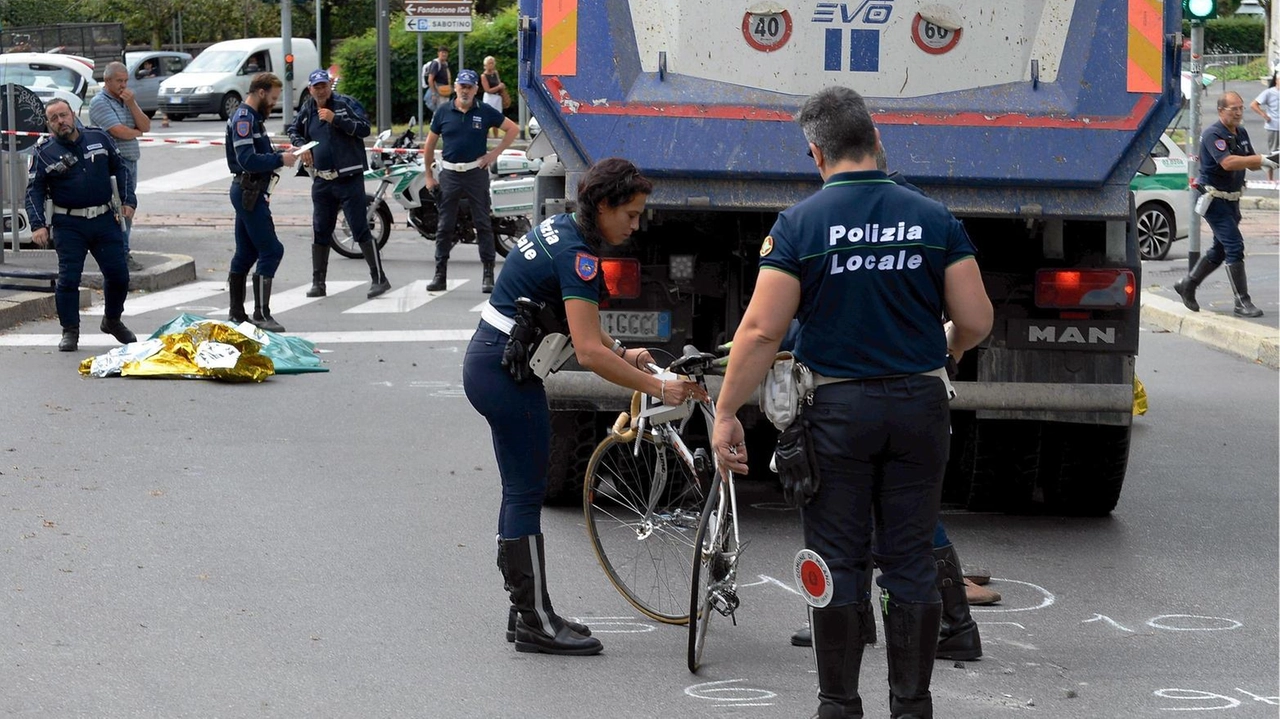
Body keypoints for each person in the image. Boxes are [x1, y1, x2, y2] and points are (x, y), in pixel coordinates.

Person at [710, 86, 992, 719]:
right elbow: (975, 319)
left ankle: (838, 705)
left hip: (836, 414)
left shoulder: (800, 226)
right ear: (877, 143)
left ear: (817, 154)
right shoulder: (934, 219)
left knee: (836, 560)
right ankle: (911, 707)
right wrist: (943, 349)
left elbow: (760, 332)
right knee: (911, 559)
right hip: (920, 406)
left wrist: (728, 411)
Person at [462, 158, 707, 656]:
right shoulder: (579, 255)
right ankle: (534, 620)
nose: (636, 225)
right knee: (525, 496)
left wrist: (625, 352)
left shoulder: (560, 228)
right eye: (631, 214)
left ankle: (525, 614)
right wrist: (658, 388)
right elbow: (588, 353)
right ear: (603, 205)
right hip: (507, 375)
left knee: (518, 493)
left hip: (491, 363)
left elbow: (586, 335)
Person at [25, 99, 138, 352]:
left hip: (104, 219)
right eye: (53, 118)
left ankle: (112, 319)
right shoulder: (44, 152)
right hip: (69, 224)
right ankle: (70, 330)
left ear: (73, 115)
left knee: (119, 275)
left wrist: (129, 201)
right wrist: (38, 225)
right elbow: (34, 191)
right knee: (68, 280)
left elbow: (121, 169)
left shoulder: (99, 137)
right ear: (48, 124)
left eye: (63, 115)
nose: (60, 121)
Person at [1175, 91, 1279, 319]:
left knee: (1220, 249)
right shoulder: (1213, 134)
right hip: (1214, 200)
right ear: (1221, 110)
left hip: (1232, 200)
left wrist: (1271, 159)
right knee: (1234, 246)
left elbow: (1250, 162)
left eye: (1241, 107)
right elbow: (1228, 163)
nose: (1239, 112)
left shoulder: (1240, 132)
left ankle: (1187, 284)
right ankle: (1242, 301)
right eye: (1234, 109)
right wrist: (1260, 159)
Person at [287, 69, 389, 300]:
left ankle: (379, 278)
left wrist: (336, 119)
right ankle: (318, 282)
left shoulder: (345, 104)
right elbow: (293, 130)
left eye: (324, 86)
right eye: (316, 87)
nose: (320, 90)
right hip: (322, 180)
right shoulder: (307, 109)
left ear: (329, 85)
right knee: (321, 229)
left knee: (358, 227)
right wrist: (303, 147)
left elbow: (364, 128)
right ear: (310, 89)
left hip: (349, 178)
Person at [421, 69, 519, 294]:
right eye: (462, 86)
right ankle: (440, 274)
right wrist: (428, 175)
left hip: (476, 173)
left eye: (469, 87)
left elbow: (512, 129)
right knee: (445, 225)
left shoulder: (484, 111)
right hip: (450, 174)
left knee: (483, 223)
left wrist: (493, 155)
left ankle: (488, 274)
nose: (465, 90)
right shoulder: (443, 111)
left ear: (476, 89)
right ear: (455, 87)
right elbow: (429, 145)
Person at [224, 73, 297, 332]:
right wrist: (279, 160)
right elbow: (247, 159)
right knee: (271, 250)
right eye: (274, 97)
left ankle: (236, 312)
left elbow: (257, 153)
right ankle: (261, 314)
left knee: (246, 252)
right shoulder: (245, 118)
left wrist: (280, 154)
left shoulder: (252, 118)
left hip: (249, 190)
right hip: (249, 190)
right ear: (262, 92)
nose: (274, 103)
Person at [89, 60, 151, 272]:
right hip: (114, 162)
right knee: (120, 207)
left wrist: (132, 104)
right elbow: (119, 131)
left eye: (125, 81)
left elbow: (146, 125)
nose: (123, 85)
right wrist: (135, 132)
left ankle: (121, 251)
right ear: (107, 81)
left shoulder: (126, 100)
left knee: (128, 206)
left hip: (130, 160)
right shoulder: (100, 102)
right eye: (119, 81)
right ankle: (120, 253)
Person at [1249, 74, 1278, 182]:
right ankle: (1270, 178)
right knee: (1273, 153)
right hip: (1273, 126)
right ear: (1277, 81)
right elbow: (1253, 104)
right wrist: (1264, 115)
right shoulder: (1269, 92)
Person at [480, 56, 506, 139]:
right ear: (486, 65)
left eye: (492, 63)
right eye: (489, 63)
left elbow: (498, 82)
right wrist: (498, 87)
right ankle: (486, 135)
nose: (491, 65)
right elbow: (487, 90)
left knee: (497, 116)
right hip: (489, 97)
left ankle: (496, 135)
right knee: (487, 116)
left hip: (497, 97)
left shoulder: (495, 73)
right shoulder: (483, 76)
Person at [422, 46, 452, 117]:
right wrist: (433, 94)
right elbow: (430, 79)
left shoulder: (445, 64)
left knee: (443, 112)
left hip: (445, 91)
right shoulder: (436, 63)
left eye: (446, 53)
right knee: (439, 113)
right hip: (438, 91)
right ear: (438, 53)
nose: (444, 54)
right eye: (442, 52)